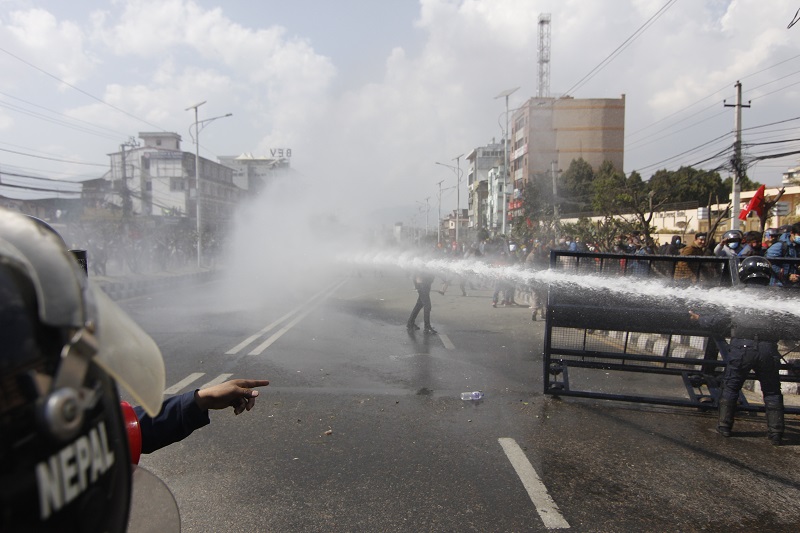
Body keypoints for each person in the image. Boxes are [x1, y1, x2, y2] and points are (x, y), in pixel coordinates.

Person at [0, 207, 268, 531]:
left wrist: (199, 400)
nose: (51, 379)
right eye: (32, 366)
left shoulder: (56, 426)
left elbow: (122, 434)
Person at [689, 257, 784, 445]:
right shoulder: (777, 296)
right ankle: (776, 433)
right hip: (768, 349)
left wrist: (699, 318)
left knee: (731, 386)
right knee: (772, 391)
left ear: (745, 273)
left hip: (742, 347)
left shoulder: (738, 296)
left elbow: (719, 320)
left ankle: (724, 427)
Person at [765, 221, 800, 288]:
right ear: (792, 233)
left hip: (793, 286)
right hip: (778, 285)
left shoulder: (797, 246)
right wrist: (788, 275)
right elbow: (770, 264)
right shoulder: (779, 246)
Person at [407, 267, 437, 334]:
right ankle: (427, 327)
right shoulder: (420, 263)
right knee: (427, 306)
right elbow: (416, 275)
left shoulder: (427, 262)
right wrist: (419, 286)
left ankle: (410, 323)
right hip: (423, 286)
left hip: (425, 286)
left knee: (419, 305)